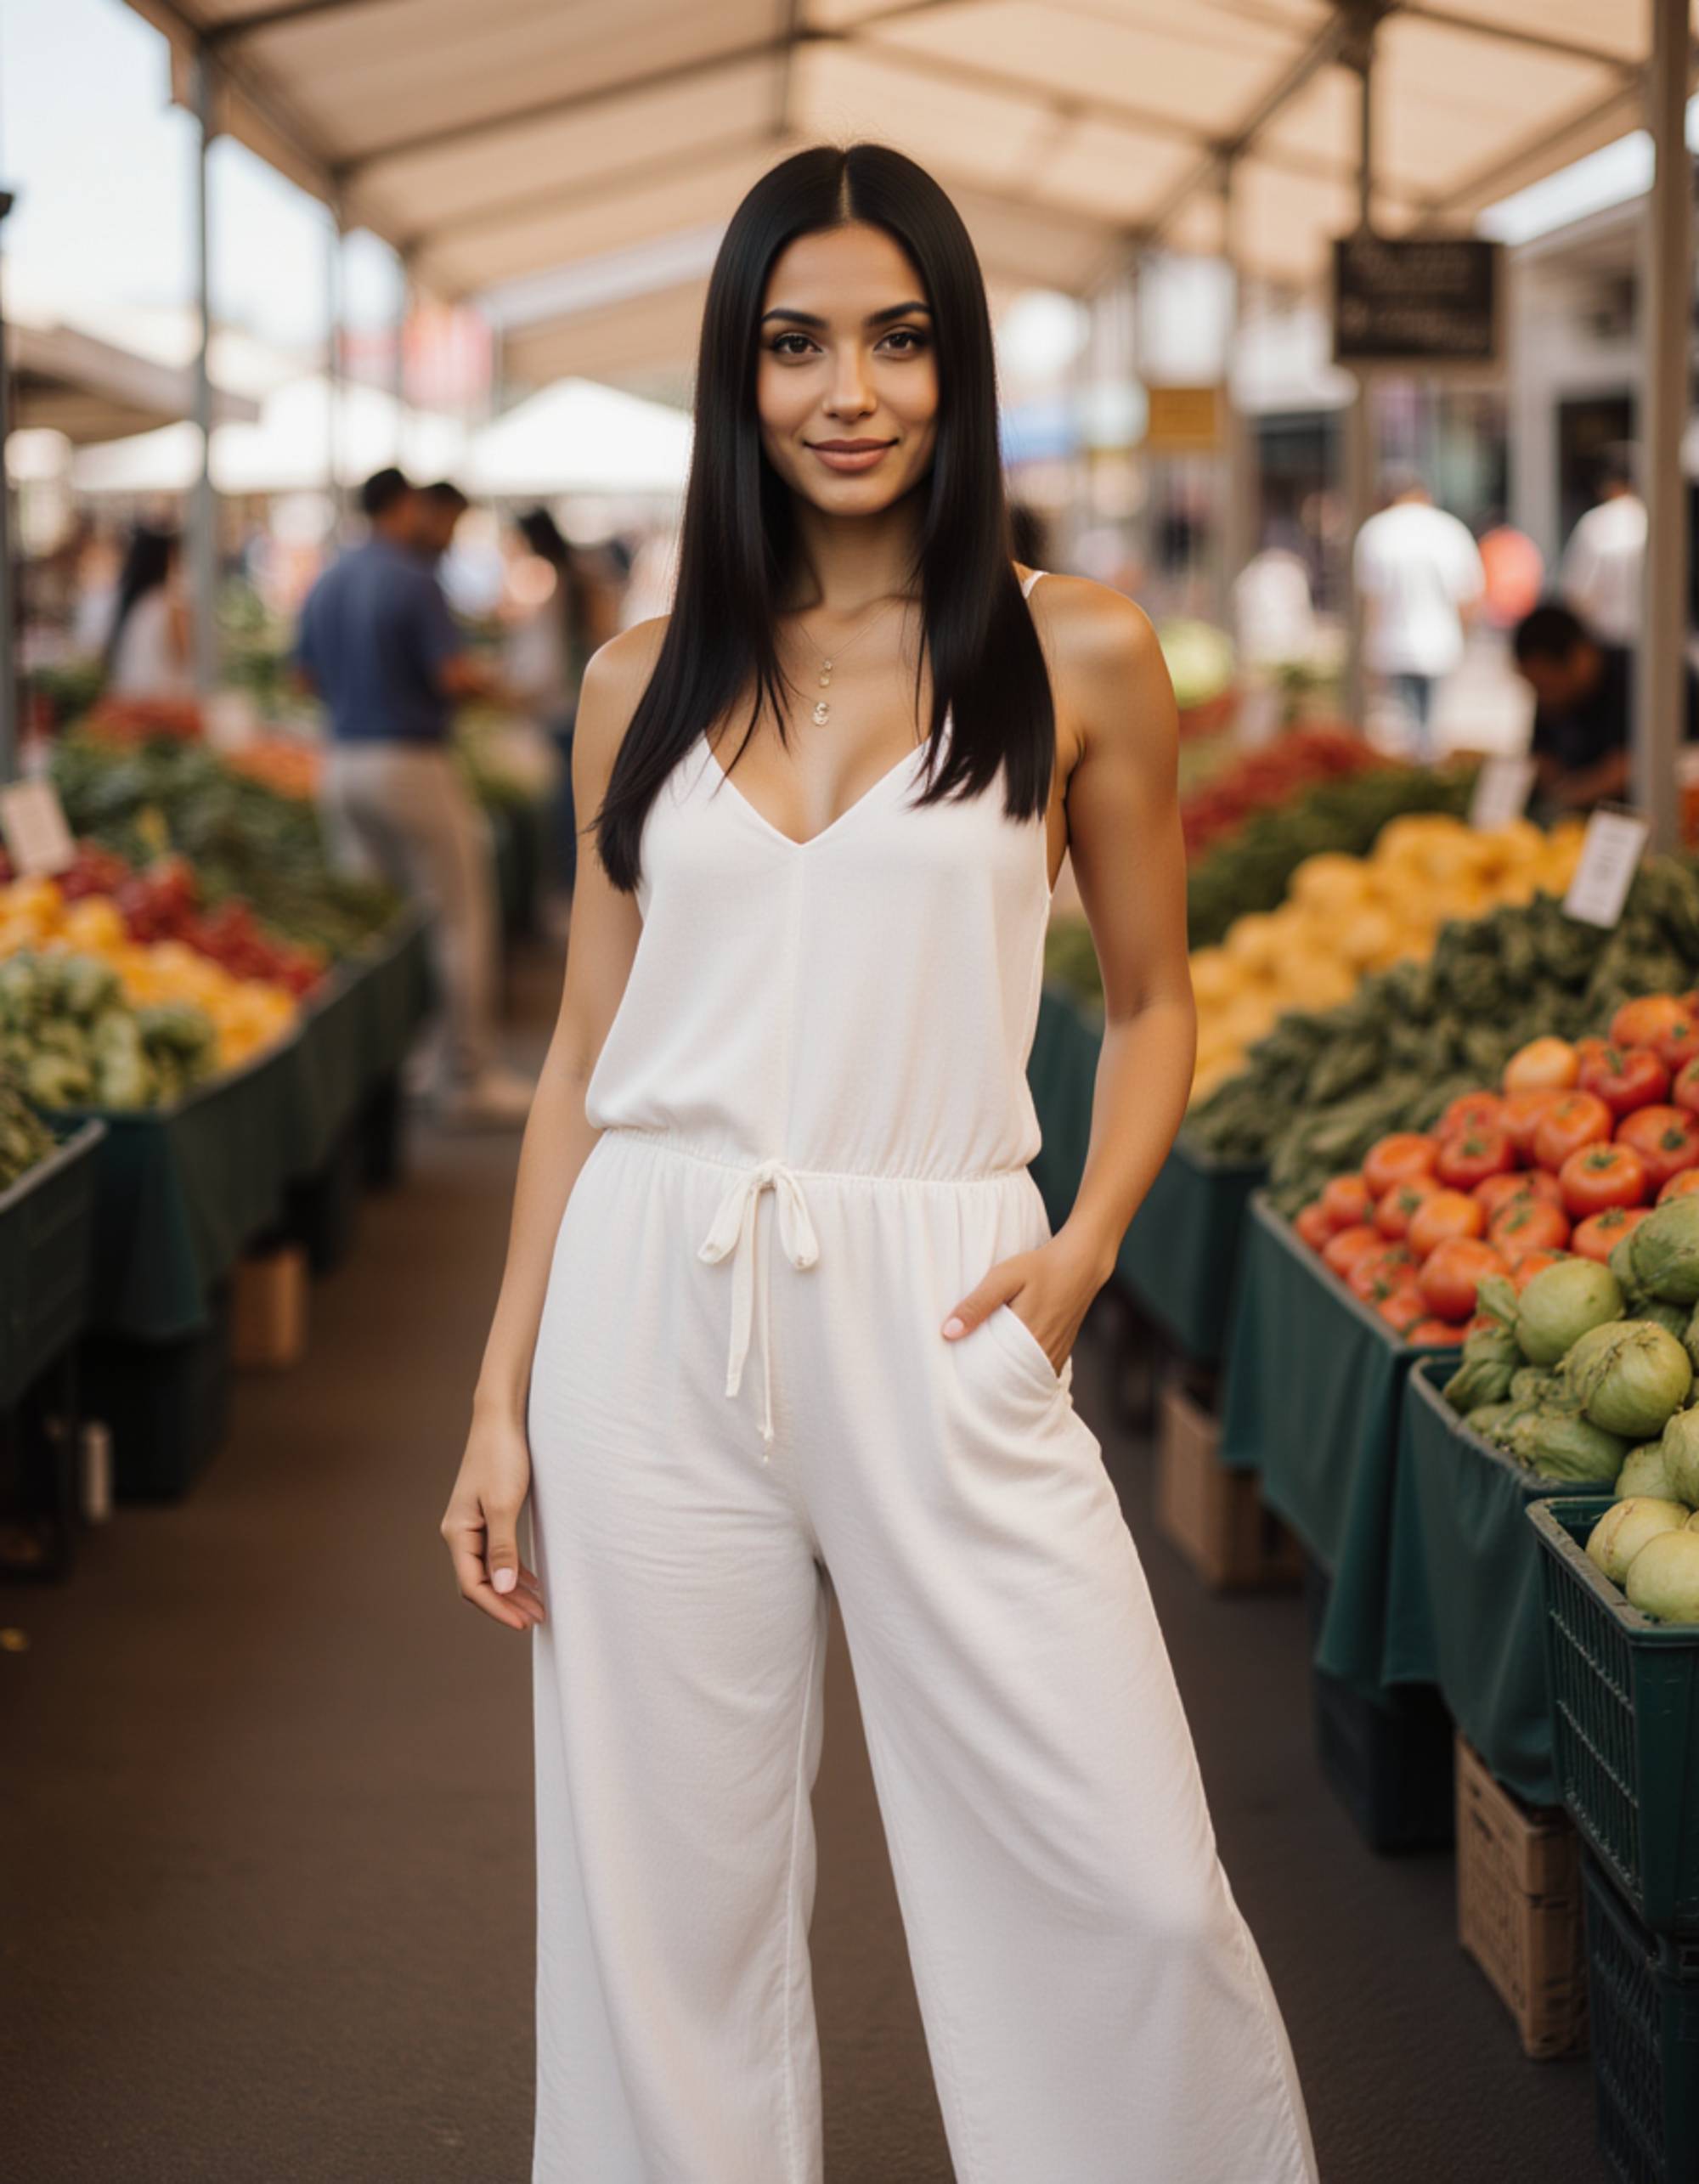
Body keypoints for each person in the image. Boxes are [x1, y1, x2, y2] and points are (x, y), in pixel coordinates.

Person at [440, 141, 1319, 2184]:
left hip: (948, 1293)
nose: (850, 389)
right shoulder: (625, 684)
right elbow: (584, 1052)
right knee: (660, 1899)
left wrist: (1084, 1246)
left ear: (958, 364)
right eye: (796, 342)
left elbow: (1153, 995)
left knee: (1124, 1875)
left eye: (899, 338)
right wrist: (498, 1395)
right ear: (735, 377)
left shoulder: (1075, 646)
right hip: (646, 1301)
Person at [294, 466, 533, 1127]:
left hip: (340, 762)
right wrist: (501, 690)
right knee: (459, 917)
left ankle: (382, 1077)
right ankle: (466, 1075)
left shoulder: (330, 576)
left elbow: (301, 675)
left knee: (372, 929)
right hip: (410, 761)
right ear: (403, 506)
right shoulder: (413, 578)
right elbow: (452, 675)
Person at [502, 506, 614, 898]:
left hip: (562, 708)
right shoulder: (583, 576)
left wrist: (518, 692)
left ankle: (573, 890)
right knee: (582, 801)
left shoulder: (557, 584)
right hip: (585, 704)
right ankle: (580, 888)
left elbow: (544, 661)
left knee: (569, 806)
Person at [1512, 599, 1699, 812]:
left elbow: (1638, 765)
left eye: (1546, 686)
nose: (1542, 698)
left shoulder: (1647, 680)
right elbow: (1542, 759)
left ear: (1579, 658)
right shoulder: (1551, 696)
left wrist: (1571, 794)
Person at [1352, 467, 1485, 759]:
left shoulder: (1377, 531)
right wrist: (1465, 638)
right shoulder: (1449, 529)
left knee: (1401, 732)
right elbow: (1468, 595)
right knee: (1429, 730)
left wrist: (1367, 648)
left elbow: (1371, 598)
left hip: (1391, 644)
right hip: (1440, 643)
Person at [1561, 449, 1645, 652]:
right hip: (1650, 642)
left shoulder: (1596, 523)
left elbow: (1577, 595)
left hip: (1606, 643)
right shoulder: (1654, 523)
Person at [104, 523, 195, 700]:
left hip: (130, 698)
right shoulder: (168, 604)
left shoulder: (133, 601)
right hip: (161, 705)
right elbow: (186, 657)